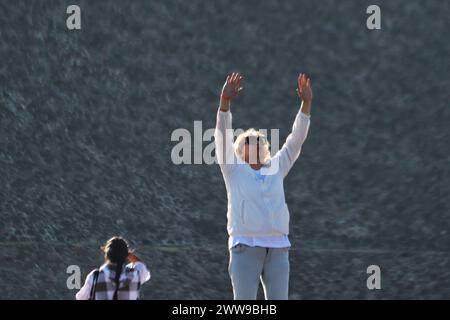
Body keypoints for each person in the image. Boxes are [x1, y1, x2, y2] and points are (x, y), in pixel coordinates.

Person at [214, 72, 312, 300]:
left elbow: (295, 140)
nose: (255, 141)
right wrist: (224, 102)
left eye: (259, 139)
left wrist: (306, 104)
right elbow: (221, 136)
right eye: (248, 140)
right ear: (239, 149)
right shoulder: (233, 168)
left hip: (278, 249)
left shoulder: (276, 166)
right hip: (245, 247)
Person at [76, 236, 151, 300]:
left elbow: (80, 298)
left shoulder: (95, 277)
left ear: (107, 255)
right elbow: (141, 265)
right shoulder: (135, 275)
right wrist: (125, 253)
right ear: (125, 255)